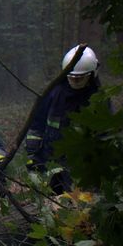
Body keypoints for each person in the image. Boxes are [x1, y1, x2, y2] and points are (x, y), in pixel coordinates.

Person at [26, 45, 102, 194]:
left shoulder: (98, 99)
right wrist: (33, 155)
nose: (76, 80)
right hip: (52, 161)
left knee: (83, 205)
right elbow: (37, 125)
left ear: (92, 74)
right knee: (53, 202)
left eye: (81, 77)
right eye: (73, 77)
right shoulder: (54, 94)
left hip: (84, 166)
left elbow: (105, 134)